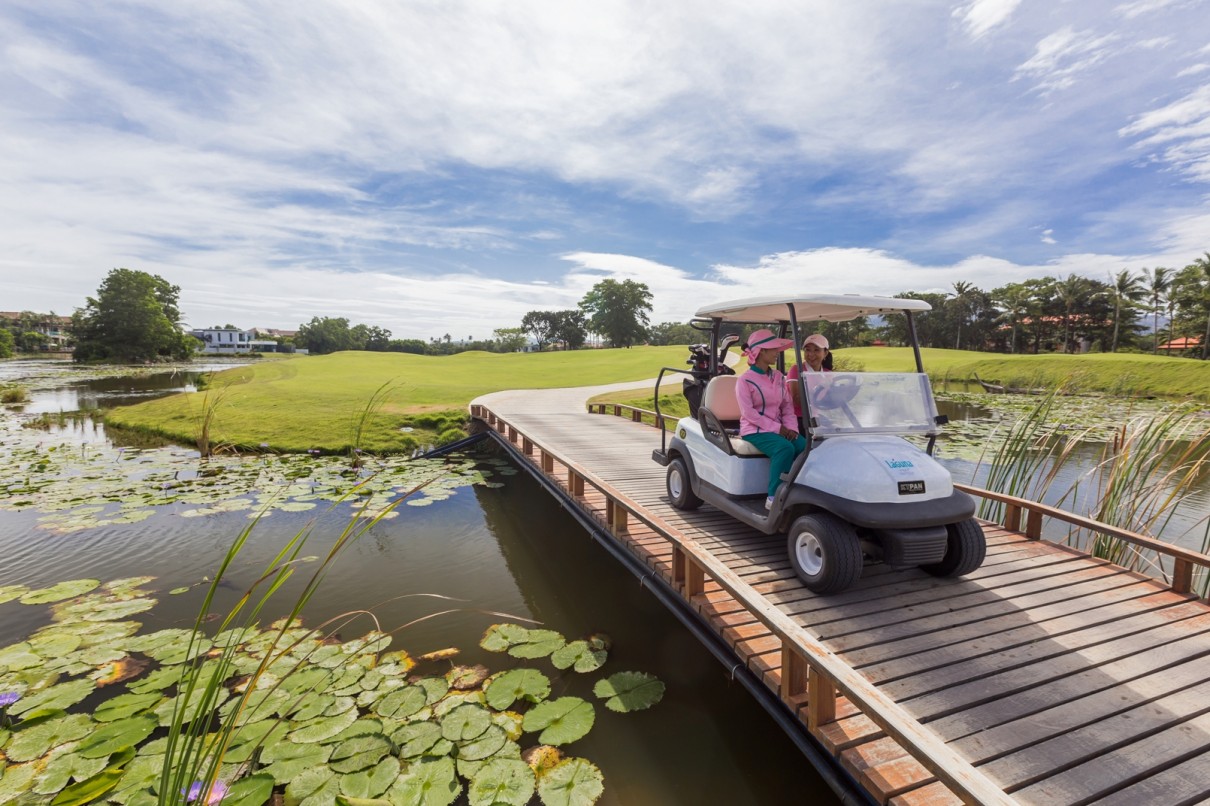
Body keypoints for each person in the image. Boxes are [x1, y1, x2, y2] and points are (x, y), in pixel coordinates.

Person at [736, 329, 808, 510]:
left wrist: (792, 428)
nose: (778, 352)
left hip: (778, 428)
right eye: (773, 349)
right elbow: (749, 413)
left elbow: (787, 406)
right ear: (761, 351)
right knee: (784, 447)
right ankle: (773, 497)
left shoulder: (777, 377)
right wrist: (778, 429)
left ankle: (796, 490)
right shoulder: (744, 381)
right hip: (754, 430)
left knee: (804, 447)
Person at [787, 333, 832, 423]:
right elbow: (796, 401)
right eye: (807, 350)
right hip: (796, 418)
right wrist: (819, 388)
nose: (811, 354)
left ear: (825, 353)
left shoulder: (828, 373)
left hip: (817, 416)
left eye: (816, 350)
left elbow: (831, 400)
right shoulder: (796, 369)